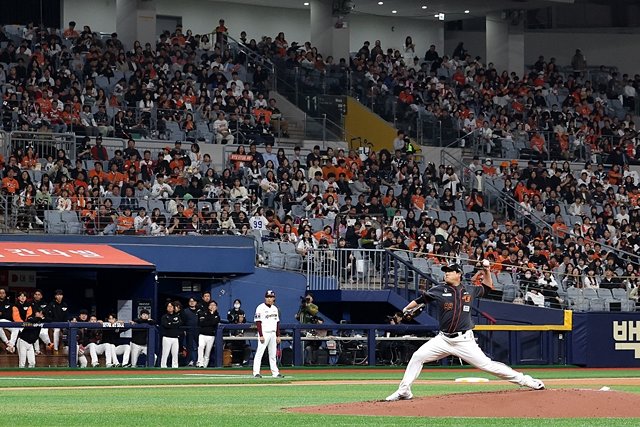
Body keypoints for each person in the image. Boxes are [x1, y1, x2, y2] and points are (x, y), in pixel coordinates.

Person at [385, 261, 545, 401]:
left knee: (487, 366)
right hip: (443, 339)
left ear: (459, 274)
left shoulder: (469, 289)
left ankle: (526, 381)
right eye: (445, 271)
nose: (446, 274)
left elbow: (488, 287)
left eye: (449, 271)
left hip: (464, 340)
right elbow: (420, 301)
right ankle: (404, 390)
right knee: (417, 357)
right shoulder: (438, 289)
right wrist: (406, 309)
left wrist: (487, 270)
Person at [253, 290, 284, 378]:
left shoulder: (275, 308)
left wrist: (278, 335)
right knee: (260, 353)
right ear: (265, 298)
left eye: (271, 297)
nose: (269, 299)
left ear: (274, 298)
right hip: (264, 333)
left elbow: (277, 323)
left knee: (273, 354)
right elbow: (258, 322)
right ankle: (256, 372)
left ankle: (275, 373)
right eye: (268, 297)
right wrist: (261, 335)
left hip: (273, 333)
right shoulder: (260, 307)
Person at [196, 300, 220, 368]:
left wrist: (212, 315)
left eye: (214, 305)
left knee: (207, 352)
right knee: (200, 347)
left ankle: (205, 365)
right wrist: (209, 322)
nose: (212, 307)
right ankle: (200, 363)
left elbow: (214, 323)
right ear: (208, 306)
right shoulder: (203, 313)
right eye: (211, 305)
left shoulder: (217, 316)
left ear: (216, 307)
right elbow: (201, 323)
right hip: (202, 334)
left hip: (211, 336)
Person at [160, 301, 182, 368]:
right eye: (168, 306)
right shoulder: (164, 317)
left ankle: (175, 367)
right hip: (167, 338)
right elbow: (166, 325)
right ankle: (163, 366)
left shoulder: (177, 316)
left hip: (175, 338)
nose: (170, 308)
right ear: (166, 308)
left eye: (171, 306)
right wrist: (173, 323)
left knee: (175, 354)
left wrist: (171, 323)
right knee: (165, 353)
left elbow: (179, 324)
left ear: (173, 308)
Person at [46, 289, 68, 353]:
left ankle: (66, 347)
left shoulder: (64, 305)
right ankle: (55, 349)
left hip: (63, 324)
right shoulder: (51, 304)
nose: (59, 297)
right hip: (54, 324)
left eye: (60, 295)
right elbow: (48, 315)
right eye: (58, 295)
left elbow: (66, 316)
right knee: (57, 330)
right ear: (55, 296)